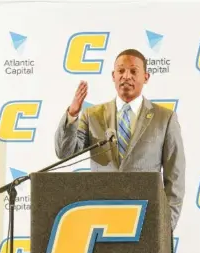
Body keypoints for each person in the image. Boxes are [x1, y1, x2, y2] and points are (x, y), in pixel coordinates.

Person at [54, 48, 185, 231]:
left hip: (146, 220)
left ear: (146, 77)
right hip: (100, 219)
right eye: (121, 71)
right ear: (113, 76)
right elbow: (64, 152)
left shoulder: (164, 118)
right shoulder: (92, 115)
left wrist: (166, 224)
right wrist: (72, 114)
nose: (126, 76)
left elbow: (175, 176)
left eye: (133, 71)